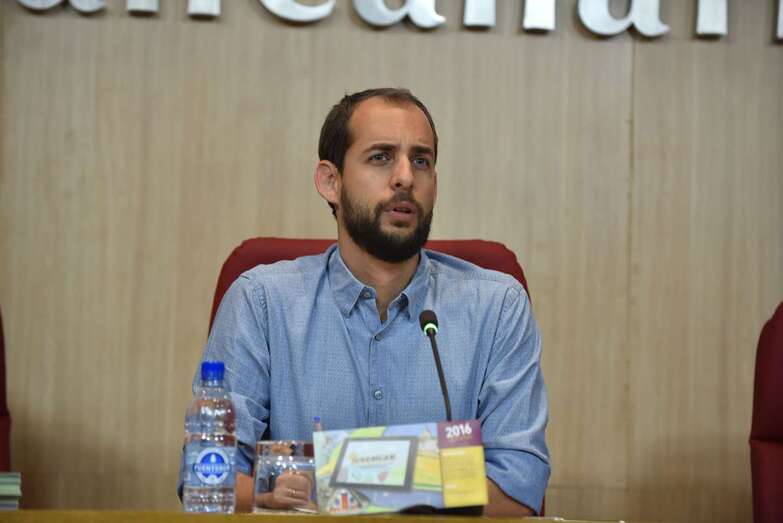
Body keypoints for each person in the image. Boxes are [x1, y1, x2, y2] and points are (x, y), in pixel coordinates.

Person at [187, 87, 550, 515]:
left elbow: (517, 490)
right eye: (380, 157)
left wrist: (327, 481)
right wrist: (430, 477)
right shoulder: (261, 302)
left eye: (421, 160)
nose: (405, 178)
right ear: (330, 181)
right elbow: (207, 480)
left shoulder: (497, 307)